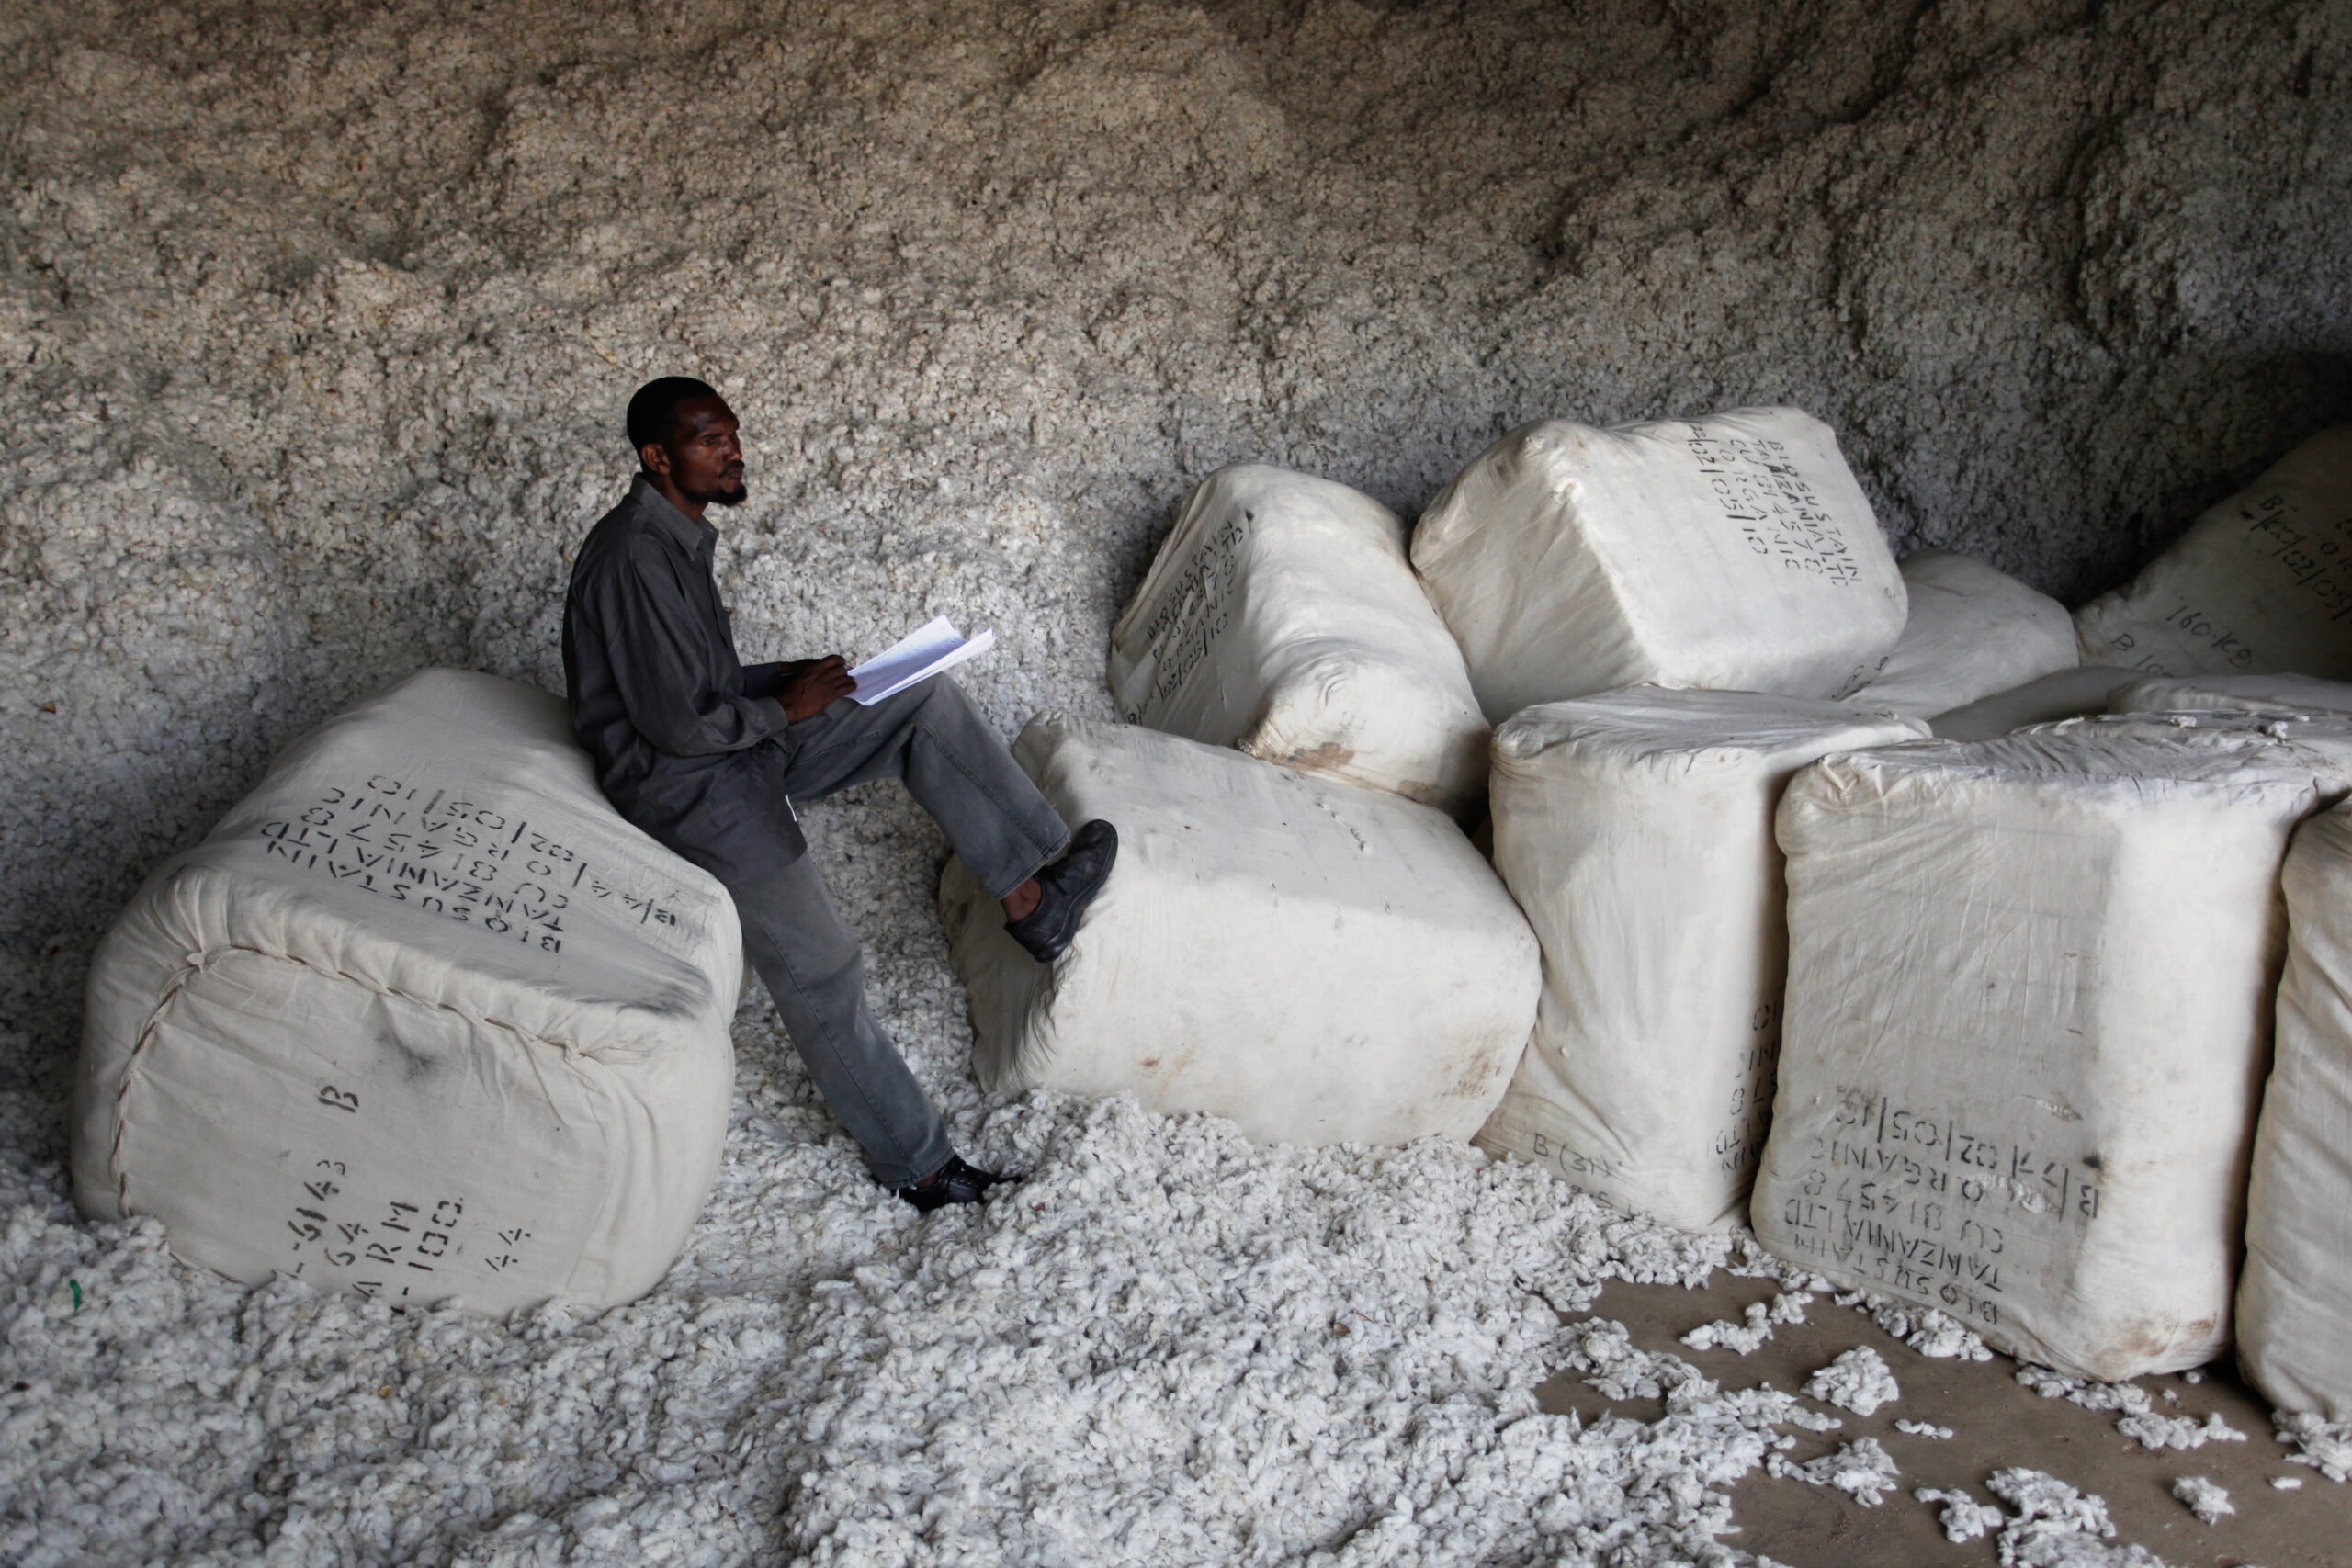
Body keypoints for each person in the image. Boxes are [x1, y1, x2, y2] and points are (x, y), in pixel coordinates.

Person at [562, 377, 1117, 1211]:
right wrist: (787, 706)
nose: (733, 450)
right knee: (824, 970)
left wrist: (778, 680)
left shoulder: (674, 532)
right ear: (657, 456)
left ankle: (1033, 894)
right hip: (692, 789)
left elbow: (694, 685)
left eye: (733, 434)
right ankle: (920, 1166)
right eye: (711, 439)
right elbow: (677, 726)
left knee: (917, 701)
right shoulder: (636, 554)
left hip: (729, 749)